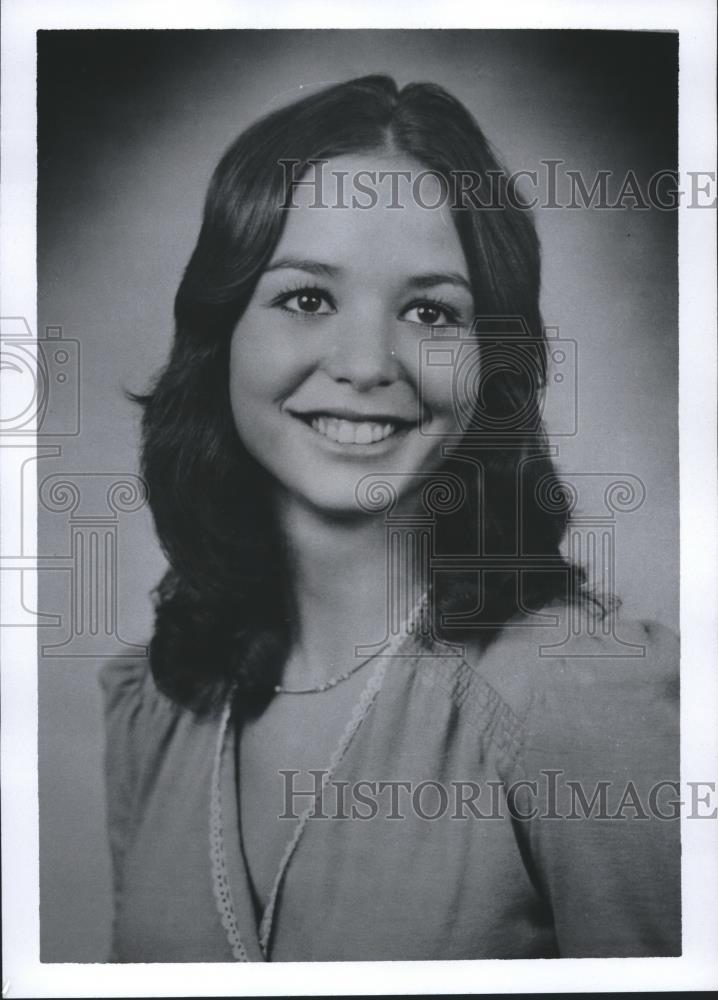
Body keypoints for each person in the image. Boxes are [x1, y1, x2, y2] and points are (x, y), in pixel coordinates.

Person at [101, 75, 680, 962]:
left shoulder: (584, 699)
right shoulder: (158, 705)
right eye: (306, 298)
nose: (367, 364)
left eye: (429, 312)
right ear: (222, 333)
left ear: (492, 360)